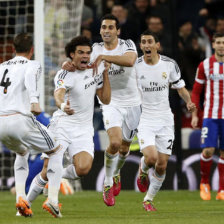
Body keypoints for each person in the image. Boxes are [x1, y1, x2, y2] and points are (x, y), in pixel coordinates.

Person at [63, 14, 142, 207]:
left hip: (133, 102)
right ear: (100, 30)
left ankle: (116, 173)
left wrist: (105, 57)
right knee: (114, 142)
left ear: (117, 31)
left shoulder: (127, 45)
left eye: (110, 27)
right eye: (104, 27)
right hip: (109, 101)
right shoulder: (94, 49)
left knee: (124, 149)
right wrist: (69, 64)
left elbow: (130, 61)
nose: (106, 30)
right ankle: (107, 184)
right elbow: (82, 63)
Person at [26, 36, 111, 207]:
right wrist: (63, 104)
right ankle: (25, 205)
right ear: (72, 55)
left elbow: (106, 99)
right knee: (47, 167)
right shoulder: (65, 72)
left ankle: (54, 176)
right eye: (80, 52)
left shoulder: (96, 69)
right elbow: (58, 94)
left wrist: (106, 73)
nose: (85, 56)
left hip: (84, 129)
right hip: (63, 125)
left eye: (87, 53)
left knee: (83, 169)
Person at [0, 33, 64, 218]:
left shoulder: (2, 66)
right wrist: (34, 101)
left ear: (13, 48)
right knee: (56, 150)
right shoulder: (33, 64)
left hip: (1, 122)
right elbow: (29, 78)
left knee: (22, 152)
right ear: (32, 50)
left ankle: (21, 199)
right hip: (20, 119)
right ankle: (52, 199)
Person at [136, 30, 196, 211]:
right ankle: (143, 171)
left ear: (157, 45)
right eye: (143, 42)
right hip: (144, 118)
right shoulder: (135, 66)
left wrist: (189, 101)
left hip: (165, 119)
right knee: (151, 157)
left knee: (161, 165)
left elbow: (180, 87)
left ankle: (148, 200)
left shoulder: (169, 65)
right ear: (140, 46)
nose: (146, 45)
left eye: (149, 42)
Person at [191, 33, 224, 201]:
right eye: (218, 42)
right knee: (208, 150)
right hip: (210, 115)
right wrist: (195, 114)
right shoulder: (205, 65)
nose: (221, 46)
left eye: (223, 43)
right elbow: (196, 92)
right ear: (213, 44)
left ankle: (222, 190)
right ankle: (204, 182)